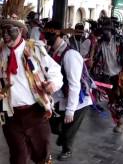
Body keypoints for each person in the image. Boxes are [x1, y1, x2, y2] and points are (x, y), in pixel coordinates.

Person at [0, 18, 63, 164]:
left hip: (36, 113)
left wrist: (53, 84)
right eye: (3, 31)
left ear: (20, 31)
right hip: (10, 117)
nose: (5, 35)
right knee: (18, 158)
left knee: (42, 156)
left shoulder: (35, 49)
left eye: (10, 31)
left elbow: (56, 72)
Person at [44, 21, 93, 161]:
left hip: (78, 99)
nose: (47, 37)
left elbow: (74, 84)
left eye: (50, 34)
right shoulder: (51, 52)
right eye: (46, 33)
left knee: (69, 126)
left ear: (59, 34)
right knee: (52, 123)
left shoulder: (70, 55)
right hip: (60, 97)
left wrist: (71, 109)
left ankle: (67, 149)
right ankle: (62, 134)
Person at [92, 17, 123, 133]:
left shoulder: (120, 41)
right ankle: (119, 121)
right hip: (107, 75)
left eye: (106, 31)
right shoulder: (100, 43)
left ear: (111, 30)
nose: (104, 33)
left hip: (120, 74)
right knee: (112, 101)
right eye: (102, 31)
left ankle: (121, 121)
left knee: (121, 98)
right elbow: (96, 59)